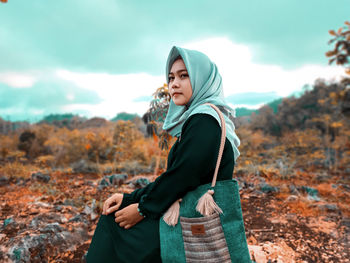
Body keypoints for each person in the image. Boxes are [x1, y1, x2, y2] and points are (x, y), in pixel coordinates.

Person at [86, 46, 242, 263]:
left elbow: (182, 177)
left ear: (202, 79)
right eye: (171, 77)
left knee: (112, 225)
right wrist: (130, 198)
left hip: (191, 221)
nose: (174, 84)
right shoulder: (200, 119)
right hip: (185, 214)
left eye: (184, 76)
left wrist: (142, 209)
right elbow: (177, 176)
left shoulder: (204, 121)